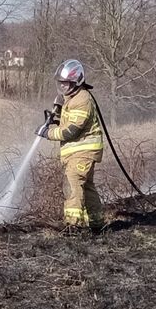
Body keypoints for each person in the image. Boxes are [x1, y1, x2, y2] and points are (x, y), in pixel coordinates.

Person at [37, 59, 105, 231]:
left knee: (72, 184)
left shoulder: (82, 100)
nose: (63, 87)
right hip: (82, 152)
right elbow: (70, 121)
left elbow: (70, 131)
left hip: (82, 151)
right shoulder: (73, 98)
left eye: (66, 83)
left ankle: (73, 227)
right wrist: (57, 113)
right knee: (87, 187)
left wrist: (47, 132)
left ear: (77, 81)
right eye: (61, 83)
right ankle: (97, 224)